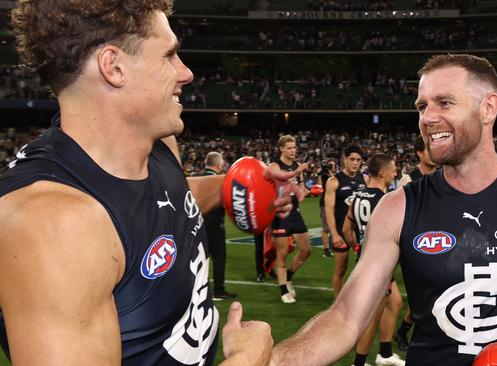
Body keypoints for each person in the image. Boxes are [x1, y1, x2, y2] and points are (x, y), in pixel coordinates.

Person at [0, 1, 296, 364]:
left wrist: (240, 185)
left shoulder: (154, 144)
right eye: (169, 55)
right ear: (114, 67)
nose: (185, 73)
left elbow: (165, 201)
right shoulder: (53, 225)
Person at [271, 54, 497, 366]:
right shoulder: (397, 207)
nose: (428, 118)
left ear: (488, 108)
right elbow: (345, 318)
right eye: (422, 106)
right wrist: (270, 361)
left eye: (444, 103)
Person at [342, 153, 404, 366]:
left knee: (395, 302)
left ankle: (385, 353)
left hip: (367, 261)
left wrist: (357, 248)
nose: (395, 173)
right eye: (393, 169)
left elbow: (346, 229)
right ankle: (359, 363)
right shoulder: (385, 200)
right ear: (382, 173)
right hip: (378, 267)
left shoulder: (358, 196)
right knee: (373, 317)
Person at [394, 136, 437, 351]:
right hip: (416, 244)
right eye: (429, 149)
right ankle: (407, 330)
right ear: (419, 153)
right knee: (425, 292)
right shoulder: (408, 180)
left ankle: (404, 329)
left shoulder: (443, 176)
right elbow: (399, 215)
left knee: (433, 290)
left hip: (440, 242)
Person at [269, 135, 312, 304]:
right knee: (283, 252)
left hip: (295, 213)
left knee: (306, 249)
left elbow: (301, 191)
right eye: (289, 148)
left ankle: (288, 276)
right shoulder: (275, 166)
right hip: (280, 214)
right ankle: (283, 290)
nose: (293, 151)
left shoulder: (296, 166)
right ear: (281, 149)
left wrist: (312, 190)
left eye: (294, 147)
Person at [325, 144, 368, 297]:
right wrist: (334, 234)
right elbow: (329, 210)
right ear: (345, 160)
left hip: (360, 232)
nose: (355, 163)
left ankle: (359, 298)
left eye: (358, 160)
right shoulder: (334, 181)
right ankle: (338, 303)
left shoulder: (365, 179)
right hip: (341, 231)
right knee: (341, 268)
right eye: (352, 159)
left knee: (362, 268)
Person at [203, 151, 237, 300]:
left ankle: (199, 291)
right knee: (219, 258)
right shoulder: (218, 179)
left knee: (201, 260)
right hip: (214, 224)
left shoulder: (199, 177)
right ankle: (219, 290)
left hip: (198, 224)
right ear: (218, 164)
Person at [318, 158, 338, 258]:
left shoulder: (336, 175)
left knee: (334, 227)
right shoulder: (324, 175)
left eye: (332, 165)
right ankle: (326, 250)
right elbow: (320, 185)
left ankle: (332, 246)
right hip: (325, 203)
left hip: (335, 203)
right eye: (330, 165)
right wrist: (324, 171)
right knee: (326, 228)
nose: (331, 167)